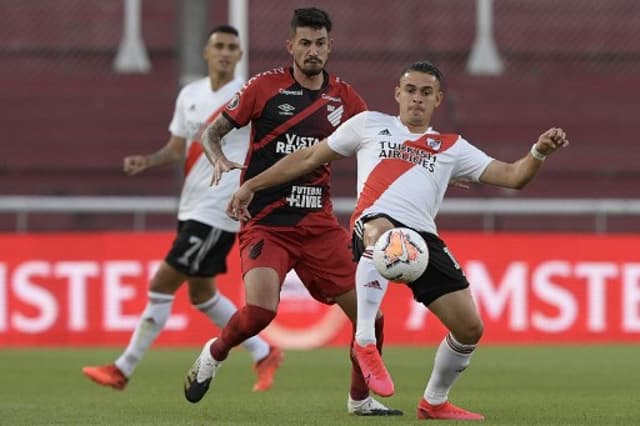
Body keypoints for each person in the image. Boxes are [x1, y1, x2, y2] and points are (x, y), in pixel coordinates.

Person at [226, 60, 569, 421]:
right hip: (373, 224)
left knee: (469, 328)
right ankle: (365, 341)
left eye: (425, 93)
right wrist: (252, 184)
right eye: (410, 90)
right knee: (383, 231)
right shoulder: (369, 124)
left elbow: (513, 176)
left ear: (438, 99)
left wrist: (539, 152)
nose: (416, 99)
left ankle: (434, 402)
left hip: (422, 241)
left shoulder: (451, 147)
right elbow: (310, 156)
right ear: (397, 94)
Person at [183, 8, 403, 416]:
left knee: (372, 318)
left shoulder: (346, 99)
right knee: (260, 312)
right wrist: (215, 157)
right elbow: (212, 131)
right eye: (305, 43)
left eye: (320, 43)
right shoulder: (263, 88)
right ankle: (214, 353)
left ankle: (360, 401)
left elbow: (383, 141)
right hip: (267, 222)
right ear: (291, 46)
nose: (313, 50)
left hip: (318, 225)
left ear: (329, 46)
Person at [82, 25, 283, 393]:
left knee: (162, 283)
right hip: (190, 206)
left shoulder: (248, 95)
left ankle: (122, 368)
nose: (224, 52)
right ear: (206, 53)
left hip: (218, 207)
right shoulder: (189, 94)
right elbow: (176, 149)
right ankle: (264, 351)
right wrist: (147, 160)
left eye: (231, 48)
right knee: (201, 294)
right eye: (218, 46)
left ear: (239, 56)